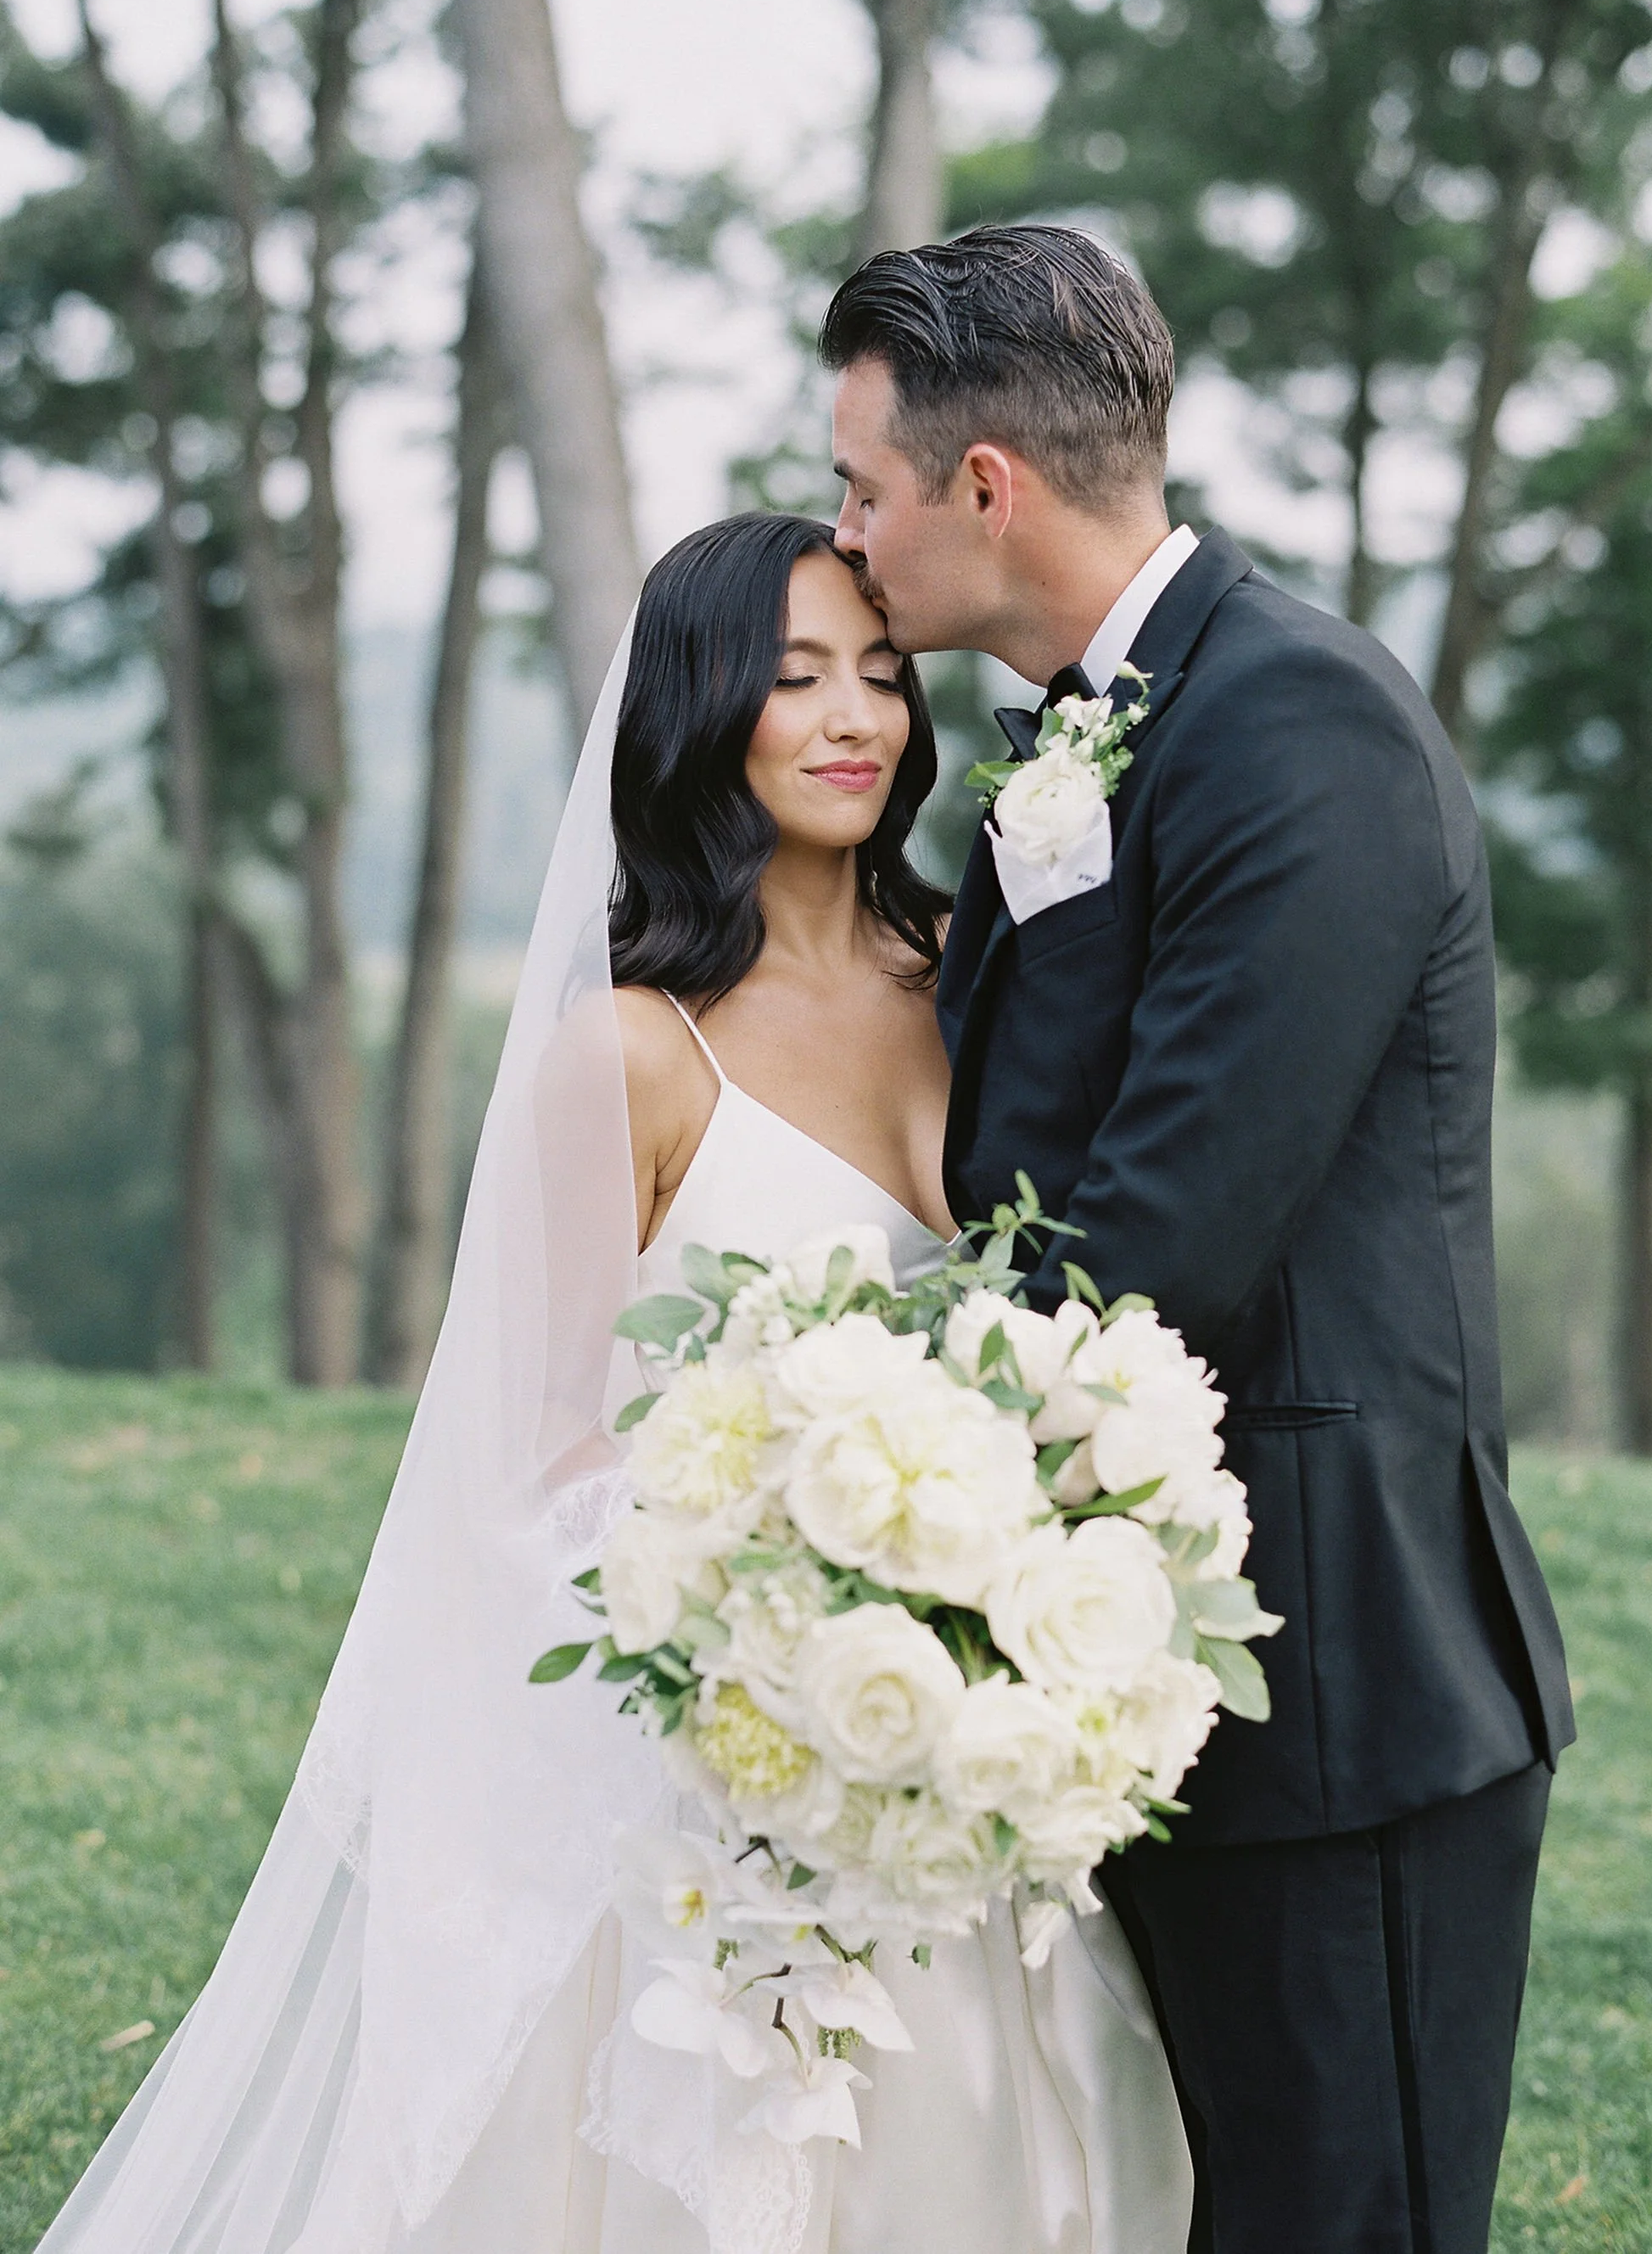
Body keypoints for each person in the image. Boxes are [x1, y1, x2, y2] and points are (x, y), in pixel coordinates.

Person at [35, 509, 1189, 2254]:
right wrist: (787, 1594)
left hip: (967, 1740)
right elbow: (544, 1445)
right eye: (795, 676)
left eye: (881, 672)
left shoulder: (972, 972)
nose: (854, 715)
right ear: (699, 707)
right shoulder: (634, 1051)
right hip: (732, 1755)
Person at [822, 221, 1577, 2254]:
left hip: (1339, 1686)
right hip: (1149, 1675)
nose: (849, 533)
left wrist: (857, 1497)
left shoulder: (1294, 724)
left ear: (982, 486)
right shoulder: (1086, 727)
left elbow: (1168, 1219)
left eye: (861, 486)